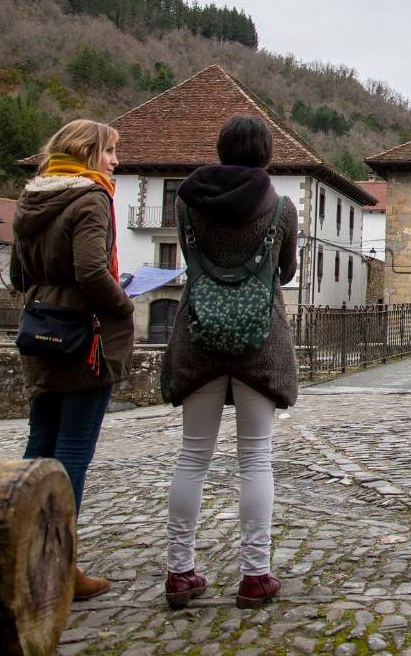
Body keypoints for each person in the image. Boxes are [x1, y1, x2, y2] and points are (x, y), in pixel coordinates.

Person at [162, 115, 299, 609]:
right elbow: (283, 272)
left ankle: (180, 572)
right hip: (258, 344)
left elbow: (193, 258)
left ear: (220, 150)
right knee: (255, 458)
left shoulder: (185, 202)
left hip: (198, 337)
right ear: (265, 155)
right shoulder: (281, 208)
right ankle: (255, 574)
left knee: (192, 457)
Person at [11, 119, 134, 601]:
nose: (115, 162)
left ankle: (19, 550)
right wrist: (122, 304)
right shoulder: (91, 197)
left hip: (40, 328)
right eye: (109, 152)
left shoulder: (32, 197)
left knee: (40, 442)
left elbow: (21, 274)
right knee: (73, 453)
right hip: (82, 335)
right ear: (86, 152)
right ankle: (58, 565)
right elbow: (90, 269)